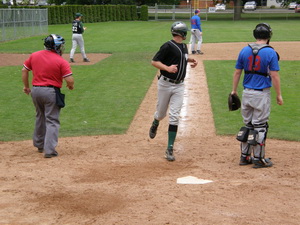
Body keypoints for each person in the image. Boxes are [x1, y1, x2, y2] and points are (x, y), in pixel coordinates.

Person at [231, 23, 283, 168]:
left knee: (248, 125)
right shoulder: (270, 52)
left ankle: (244, 156)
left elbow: (237, 72)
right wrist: (279, 95)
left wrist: (233, 90)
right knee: (260, 126)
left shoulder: (244, 50)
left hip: (246, 93)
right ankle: (258, 158)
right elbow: (274, 75)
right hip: (261, 94)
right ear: (269, 36)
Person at [149, 21, 198, 161]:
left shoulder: (183, 46)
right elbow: (154, 61)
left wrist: (190, 60)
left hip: (179, 86)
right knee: (161, 113)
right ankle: (155, 122)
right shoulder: (167, 46)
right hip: (165, 84)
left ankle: (169, 148)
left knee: (174, 116)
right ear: (182, 33)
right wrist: (167, 68)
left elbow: (182, 58)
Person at [22, 34, 74, 158]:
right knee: (52, 120)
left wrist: (26, 86)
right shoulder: (61, 60)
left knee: (40, 116)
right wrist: (70, 85)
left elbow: (24, 70)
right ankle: (49, 150)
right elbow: (69, 79)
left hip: (35, 91)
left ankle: (39, 145)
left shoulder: (34, 55)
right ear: (56, 47)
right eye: (60, 45)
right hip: (51, 92)